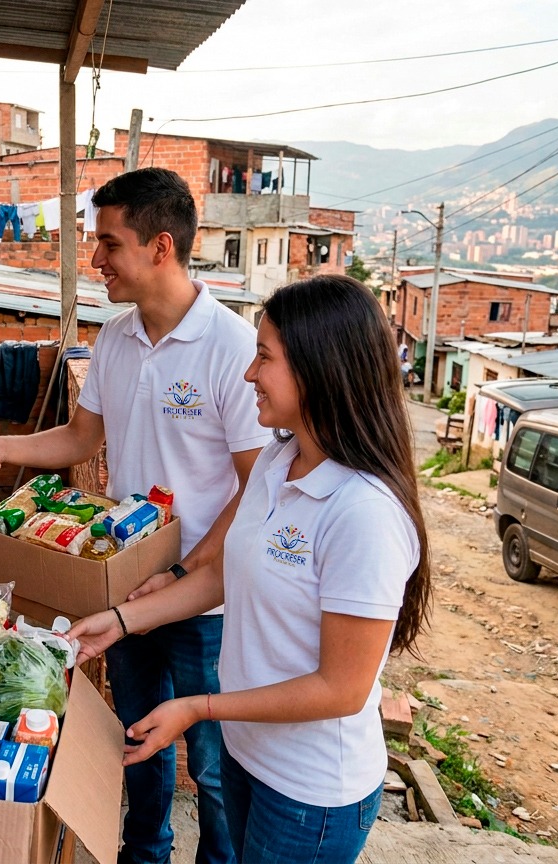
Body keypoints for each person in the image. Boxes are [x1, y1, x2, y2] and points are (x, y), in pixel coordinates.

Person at [70, 274, 432, 864]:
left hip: (310, 793)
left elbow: (342, 689)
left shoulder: (364, 512)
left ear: (320, 371)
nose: (248, 374)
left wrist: (198, 707)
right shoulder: (278, 459)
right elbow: (223, 577)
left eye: (264, 358)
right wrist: (120, 620)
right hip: (248, 753)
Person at [0, 167, 266, 864]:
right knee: (136, 738)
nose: (96, 260)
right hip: (123, 584)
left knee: (214, 766)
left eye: (108, 243)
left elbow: (255, 489)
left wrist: (186, 571)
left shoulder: (232, 348)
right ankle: (144, 854)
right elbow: (78, 439)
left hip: (205, 603)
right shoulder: (117, 336)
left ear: (161, 248)